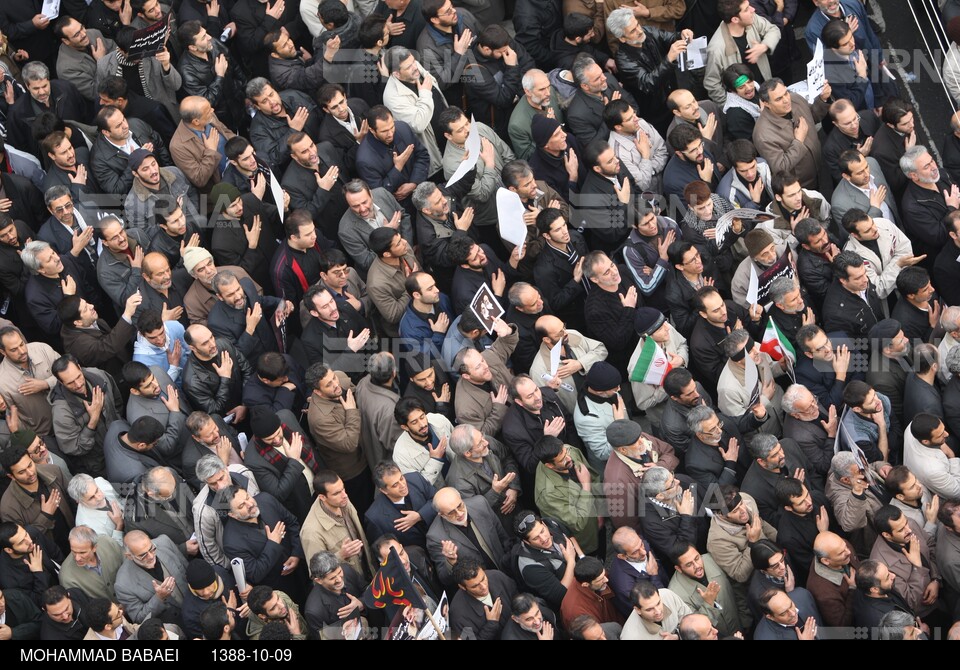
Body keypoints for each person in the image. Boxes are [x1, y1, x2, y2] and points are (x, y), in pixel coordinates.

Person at [604, 9, 689, 134]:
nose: (639, 30)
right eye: (633, 30)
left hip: (672, 94)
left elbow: (668, 37)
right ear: (622, 38)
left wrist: (682, 35)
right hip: (655, 111)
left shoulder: (647, 31)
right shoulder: (623, 60)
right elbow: (648, 83)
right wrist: (669, 59)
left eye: (637, 24)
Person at [222, 487, 305, 595]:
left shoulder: (266, 499)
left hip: (301, 570)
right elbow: (255, 573)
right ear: (232, 515)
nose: (250, 504)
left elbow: (292, 523)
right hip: (278, 589)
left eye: (248, 497)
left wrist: (296, 554)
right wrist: (273, 544)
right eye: (242, 505)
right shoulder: (231, 543)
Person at [752, 77, 831, 190]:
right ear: (766, 104)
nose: (786, 100)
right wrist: (798, 141)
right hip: (801, 187)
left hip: (822, 169)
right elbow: (780, 168)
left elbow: (813, 116)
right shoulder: (763, 134)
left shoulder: (796, 99)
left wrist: (823, 100)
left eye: (786, 93)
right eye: (779, 99)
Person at [245, 409, 320, 524]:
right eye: (269, 439)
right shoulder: (253, 460)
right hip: (302, 504)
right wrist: (294, 460)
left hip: (320, 483)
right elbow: (278, 494)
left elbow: (310, 446)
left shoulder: (287, 416)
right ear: (259, 438)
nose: (276, 440)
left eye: (278, 433)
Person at [426, 488, 511, 587]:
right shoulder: (435, 537)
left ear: (461, 499)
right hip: (480, 587)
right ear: (441, 514)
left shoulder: (480, 504)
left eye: (460, 506)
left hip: (506, 570)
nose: (459, 514)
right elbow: (445, 579)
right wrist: (450, 561)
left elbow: (502, 536)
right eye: (451, 513)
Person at [703, 0, 781, 107]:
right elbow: (711, 83)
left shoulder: (751, 19)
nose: (753, 10)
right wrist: (730, 106)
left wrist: (764, 46)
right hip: (745, 102)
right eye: (746, 9)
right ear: (735, 19)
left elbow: (773, 29)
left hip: (764, 89)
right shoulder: (716, 49)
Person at [300, 471, 374, 582]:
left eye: (343, 488)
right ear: (322, 497)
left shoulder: (341, 501)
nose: (345, 495)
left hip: (368, 571)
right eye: (336, 493)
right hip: (351, 586)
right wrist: (340, 555)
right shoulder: (311, 532)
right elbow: (317, 575)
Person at [869, 505, 939, 618]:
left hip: (941, 590)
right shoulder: (882, 565)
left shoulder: (908, 524)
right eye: (901, 530)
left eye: (906, 522)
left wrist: (936, 579)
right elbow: (911, 601)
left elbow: (931, 545)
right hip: (925, 613)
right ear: (886, 535)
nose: (909, 530)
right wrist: (917, 566)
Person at [667, 543, 744, 637]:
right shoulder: (676, 594)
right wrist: (708, 603)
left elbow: (736, 587)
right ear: (678, 568)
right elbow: (695, 629)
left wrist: (746, 619)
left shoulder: (712, 559)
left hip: (740, 626)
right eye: (689, 564)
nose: (697, 566)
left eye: (697, 558)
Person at [115, 531, 187, 624]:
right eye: (142, 555)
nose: (151, 556)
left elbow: (186, 568)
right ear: (129, 556)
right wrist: (159, 597)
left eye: (152, 549)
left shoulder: (164, 542)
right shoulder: (123, 585)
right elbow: (138, 618)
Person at [303, 551, 367, 640]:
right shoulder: (314, 611)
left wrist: (361, 603)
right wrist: (342, 633)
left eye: (339, 572)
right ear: (319, 581)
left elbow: (367, 590)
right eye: (332, 578)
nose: (339, 579)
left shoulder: (347, 570)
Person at [392, 396, 454, 488]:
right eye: (414, 422)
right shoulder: (401, 455)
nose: (422, 424)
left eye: (422, 417)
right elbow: (418, 488)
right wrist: (436, 460)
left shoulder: (440, 420)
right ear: (405, 427)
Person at [449, 559, 517, 640]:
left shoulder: (497, 576)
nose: (484, 587)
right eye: (475, 586)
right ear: (462, 587)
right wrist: (491, 624)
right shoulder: (458, 616)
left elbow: (518, 597)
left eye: (483, 578)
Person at [806, 531, 860, 628]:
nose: (848, 552)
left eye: (846, 547)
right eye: (841, 553)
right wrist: (852, 589)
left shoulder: (841, 546)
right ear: (826, 561)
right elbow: (842, 625)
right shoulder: (824, 593)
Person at [57, 526, 123, 600]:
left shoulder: (108, 543)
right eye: (74, 552)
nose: (77, 558)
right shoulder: (67, 578)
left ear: (94, 548)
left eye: (82, 552)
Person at [621, 580, 690, 640]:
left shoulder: (667, 595)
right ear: (638, 610)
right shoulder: (630, 637)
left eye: (658, 603)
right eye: (649, 609)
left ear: (659, 595)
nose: (658, 611)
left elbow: (691, 620)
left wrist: (677, 636)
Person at [753, 587, 821, 640]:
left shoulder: (802, 595)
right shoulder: (763, 637)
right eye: (783, 613)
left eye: (791, 605)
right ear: (770, 616)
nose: (793, 614)